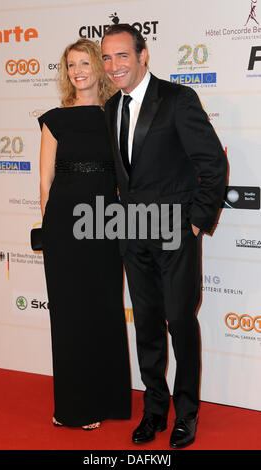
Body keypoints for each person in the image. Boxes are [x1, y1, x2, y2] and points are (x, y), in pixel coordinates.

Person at [101, 24, 227, 448]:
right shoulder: (109, 109)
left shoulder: (177, 99)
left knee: (179, 321)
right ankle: (154, 409)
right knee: (148, 325)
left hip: (175, 234)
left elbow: (212, 162)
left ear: (143, 55)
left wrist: (195, 222)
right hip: (133, 235)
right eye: (107, 57)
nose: (113, 65)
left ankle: (186, 413)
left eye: (121, 56)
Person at [38, 38, 131, 430]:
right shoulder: (54, 119)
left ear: (99, 67)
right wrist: (53, 230)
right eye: (71, 65)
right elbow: (45, 182)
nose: (77, 71)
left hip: (105, 226)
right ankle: (73, 406)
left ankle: (105, 399)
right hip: (62, 227)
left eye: (84, 63)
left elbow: (128, 178)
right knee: (68, 313)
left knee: (103, 309)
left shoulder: (118, 115)